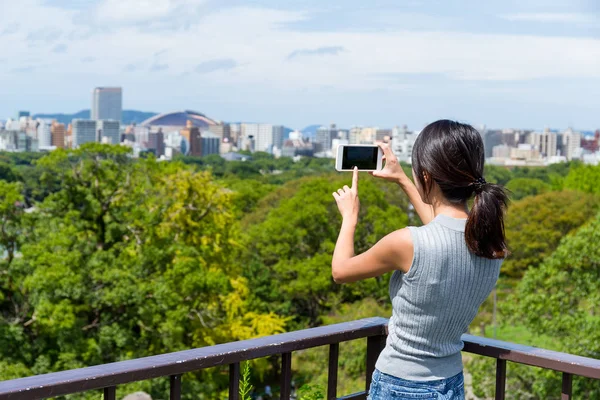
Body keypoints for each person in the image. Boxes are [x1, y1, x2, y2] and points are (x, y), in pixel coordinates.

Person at [331, 120, 508, 399]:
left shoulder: (408, 242)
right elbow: (443, 230)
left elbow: (340, 271)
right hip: (451, 383)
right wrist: (401, 177)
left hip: (400, 383)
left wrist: (349, 217)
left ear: (426, 177)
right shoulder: (490, 244)